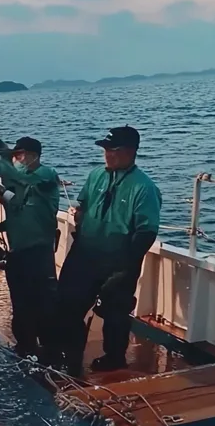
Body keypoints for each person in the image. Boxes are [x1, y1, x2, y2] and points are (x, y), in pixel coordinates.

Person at [57, 125, 161, 375]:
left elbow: (146, 231)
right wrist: (80, 217)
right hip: (85, 254)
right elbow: (83, 203)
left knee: (115, 313)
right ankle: (69, 353)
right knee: (67, 304)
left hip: (119, 259)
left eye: (113, 150)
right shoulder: (96, 175)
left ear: (129, 152)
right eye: (105, 149)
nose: (107, 155)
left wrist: (123, 268)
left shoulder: (144, 188)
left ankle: (114, 358)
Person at [0, 109, 61, 358]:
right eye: (16, 155)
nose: (16, 159)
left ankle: (50, 348)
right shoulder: (21, 185)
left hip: (39, 252)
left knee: (43, 302)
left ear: (33, 156)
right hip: (17, 251)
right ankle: (25, 346)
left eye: (21, 155)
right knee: (19, 303)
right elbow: (18, 211)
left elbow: (12, 168)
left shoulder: (46, 177)